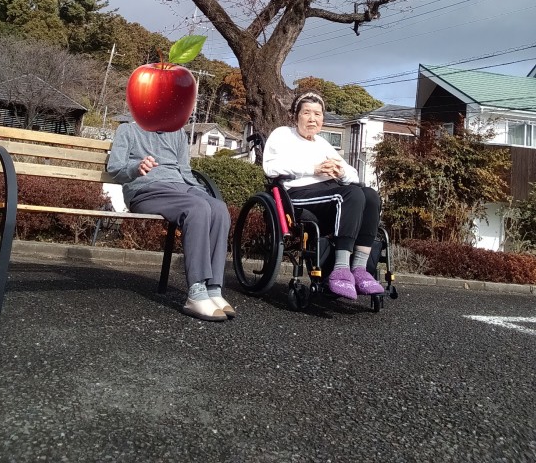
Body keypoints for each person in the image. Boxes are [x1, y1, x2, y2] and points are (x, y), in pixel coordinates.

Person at [107, 121, 233, 322]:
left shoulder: (178, 132)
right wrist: (136, 168)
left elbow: (185, 170)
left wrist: (199, 191)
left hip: (181, 187)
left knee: (219, 209)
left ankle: (213, 289)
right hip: (146, 189)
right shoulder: (128, 129)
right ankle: (197, 292)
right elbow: (115, 168)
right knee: (197, 209)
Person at [262, 92, 384, 301]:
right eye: (306, 113)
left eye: (317, 114)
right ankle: (341, 269)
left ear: (322, 119)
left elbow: (352, 174)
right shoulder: (283, 135)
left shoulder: (323, 143)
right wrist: (314, 168)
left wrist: (341, 172)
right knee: (351, 194)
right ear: (296, 116)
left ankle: (360, 269)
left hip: (331, 192)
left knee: (370, 195)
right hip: (297, 193)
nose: (312, 119)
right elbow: (271, 168)